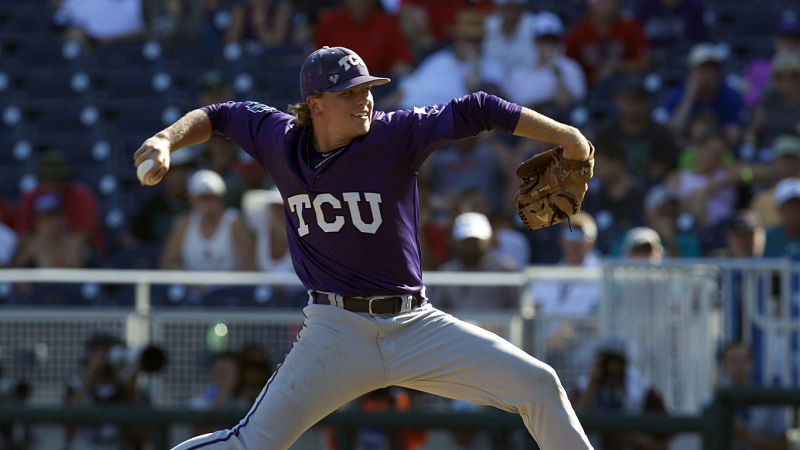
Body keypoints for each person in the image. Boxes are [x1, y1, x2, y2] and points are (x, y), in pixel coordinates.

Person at [135, 45, 594, 449]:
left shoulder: (394, 134)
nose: (364, 100)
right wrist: (164, 138)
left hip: (415, 325)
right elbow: (218, 116)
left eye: (367, 89)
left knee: (538, 384)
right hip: (335, 331)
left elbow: (479, 107)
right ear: (314, 105)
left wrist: (567, 137)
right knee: (251, 443)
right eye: (349, 93)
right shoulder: (278, 138)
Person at [573, 335, 670, 450]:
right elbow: (571, 428)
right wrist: (593, 383)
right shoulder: (584, 387)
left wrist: (628, 437)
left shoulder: (644, 392)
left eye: (616, 363)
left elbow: (662, 445)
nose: (612, 369)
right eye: (606, 362)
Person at [159, 169, 256, 272]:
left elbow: (249, 265)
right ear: (192, 199)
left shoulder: (234, 222)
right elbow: (168, 263)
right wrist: (193, 281)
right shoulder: (183, 224)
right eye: (203, 198)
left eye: (212, 197)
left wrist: (220, 282)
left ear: (221, 198)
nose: (208, 204)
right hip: (190, 286)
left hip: (229, 286)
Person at [505, 11, 587, 119]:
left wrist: (554, 69)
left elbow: (567, 103)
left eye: (552, 40)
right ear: (534, 41)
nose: (547, 45)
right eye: (542, 40)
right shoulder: (519, 71)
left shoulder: (571, 68)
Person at [434, 211, 519, 311]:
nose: (472, 245)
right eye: (466, 241)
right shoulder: (446, 272)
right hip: (455, 326)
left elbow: (517, 309)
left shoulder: (506, 269)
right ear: (456, 242)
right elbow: (437, 310)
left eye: (477, 240)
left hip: (500, 326)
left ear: (489, 239)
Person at [663, 42, 745, 144]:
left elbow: (733, 135)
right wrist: (689, 96)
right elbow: (672, 132)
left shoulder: (730, 95)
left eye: (713, 69)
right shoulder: (676, 95)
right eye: (703, 69)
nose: (709, 75)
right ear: (691, 71)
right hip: (684, 150)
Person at [716, 341, 789, 450]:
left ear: (752, 364)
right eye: (733, 360)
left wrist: (744, 436)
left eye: (743, 360)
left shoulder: (770, 400)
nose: (738, 365)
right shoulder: (711, 402)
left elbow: (782, 445)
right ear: (723, 366)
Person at [564, 0, 650, 87]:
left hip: (624, 86)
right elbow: (567, 66)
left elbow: (644, 63)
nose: (606, 6)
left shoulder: (630, 27)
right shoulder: (577, 33)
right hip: (588, 89)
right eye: (601, 2)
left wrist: (616, 67)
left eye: (610, 2)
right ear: (591, 5)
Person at [749, 134, 800, 228]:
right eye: (784, 159)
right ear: (774, 161)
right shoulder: (761, 201)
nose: (789, 164)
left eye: (793, 159)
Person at [764, 177, 800, 260]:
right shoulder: (766, 239)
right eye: (790, 205)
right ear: (778, 209)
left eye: (798, 204)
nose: (795, 210)